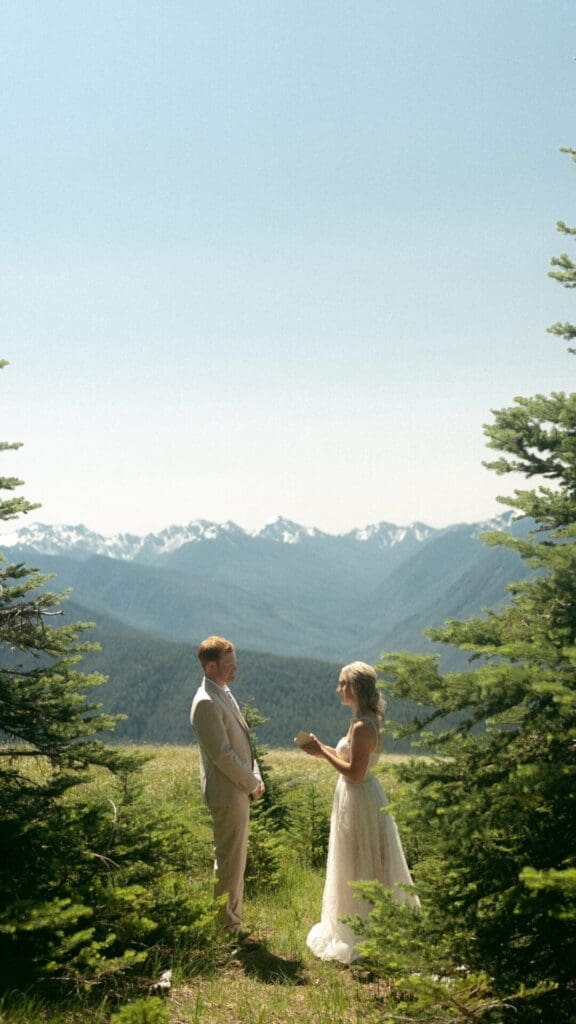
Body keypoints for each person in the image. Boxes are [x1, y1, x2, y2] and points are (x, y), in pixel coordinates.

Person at [303, 661, 419, 964]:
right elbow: (350, 758)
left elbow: (354, 773)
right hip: (355, 796)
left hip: (360, 798)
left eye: (343, 684)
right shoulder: (363, 719)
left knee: (361, 861)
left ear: (355, 688)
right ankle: (360, 922)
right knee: (356, 861)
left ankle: (363, 930)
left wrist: (322, 754)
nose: (338, 689)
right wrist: (322, 749)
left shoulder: (363, 726)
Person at [190, 635, 264, 936]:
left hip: (239, 787)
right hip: (227, 790)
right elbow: (222, 754)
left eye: (235, 663)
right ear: (210, 666)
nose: (235, 670)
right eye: (229, 665)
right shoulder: (206, 702)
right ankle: (226, 929)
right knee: (230, 862)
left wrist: (256, 777)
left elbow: (243, 742)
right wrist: (250, 782)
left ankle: (230, 920)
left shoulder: (223, 691)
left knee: (235, 859)